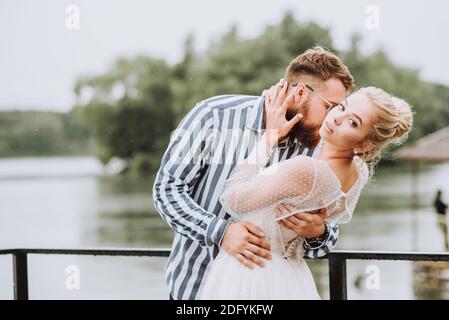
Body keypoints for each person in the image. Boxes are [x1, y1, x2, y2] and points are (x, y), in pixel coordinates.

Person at [153, 47, 354, 300]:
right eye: (330, 107)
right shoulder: (213, 116)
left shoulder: (321, 147)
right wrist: (220, 232)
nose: (333, 119)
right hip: (196, 288)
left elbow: (325, 240)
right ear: (301, 92)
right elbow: (167, 190)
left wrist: (318, 232)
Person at [199, 83, 413, 299]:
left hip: (253, 273)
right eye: (341, 107)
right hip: (290, 275)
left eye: (353, 122)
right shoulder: (358, 171)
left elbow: (234, 199)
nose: (337, 118)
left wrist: (268, 138)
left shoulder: (306, 169)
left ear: (364, 145)